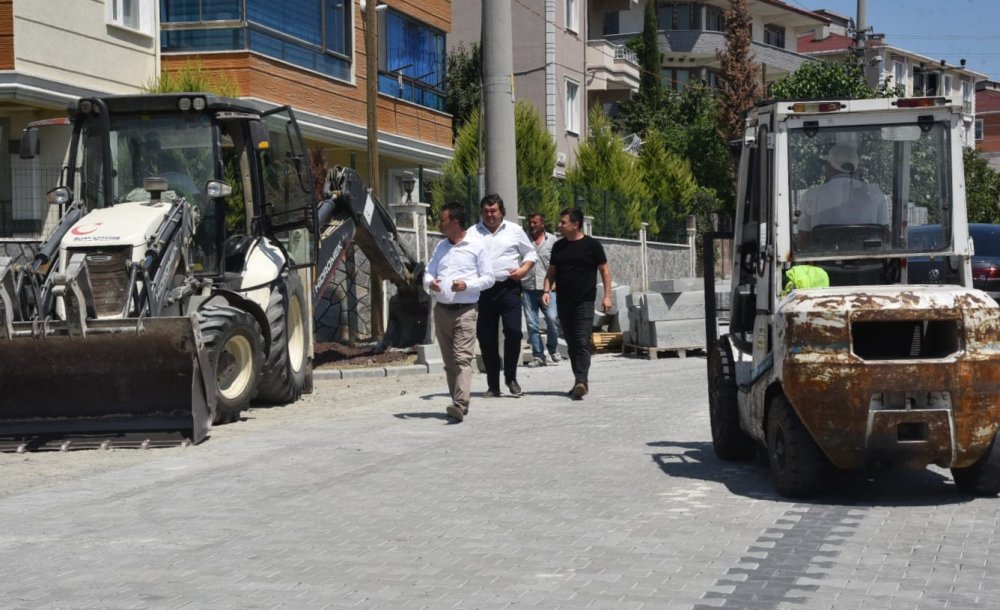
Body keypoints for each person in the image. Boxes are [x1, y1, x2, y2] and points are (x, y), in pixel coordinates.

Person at [423, 201, 495, 422]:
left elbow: (489, 278)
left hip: (465, 311)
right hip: (442, 310)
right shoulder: (441, 247)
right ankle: (457, 400)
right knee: (449, 362)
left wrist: (468, 285)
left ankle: (460, 403)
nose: (439, 224)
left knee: (462, 358)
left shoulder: (477, 246)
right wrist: (430, 283)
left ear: (455, 222)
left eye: (442, 220)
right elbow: (428, 271)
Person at [471, 193, 538, 398]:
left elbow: (531, 253)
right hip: (484, 291)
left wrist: (524, 269)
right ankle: (493, 385)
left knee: (514, 332)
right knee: (486, 337)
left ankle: (511, 377)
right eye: (486, 211)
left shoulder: (515, 230)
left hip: (509, 288)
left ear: (501, 212)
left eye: (493, 211)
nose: (490, 215)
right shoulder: (472, 233)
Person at [542, 208, 612, 400]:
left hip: (585, 301)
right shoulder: (559, 247)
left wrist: (607, 296)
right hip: (564, 302)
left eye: (563, 222)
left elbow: (605, 271)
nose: (559, 225)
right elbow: (551, 272)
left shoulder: (592, 245)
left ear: (575, 224)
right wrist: (546, 291)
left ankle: (582, 381)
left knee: (581, 341)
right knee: (572, 345)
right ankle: (578, 380)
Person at [797, 143, 889, 241]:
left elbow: (803, 239)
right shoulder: (875, 194)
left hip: (824, 255)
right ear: (856, 167)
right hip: (867, 255)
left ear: (828, 167)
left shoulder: (810, 196)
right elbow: (886, 236)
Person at [521, 213, 562, 367]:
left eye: (535, 222)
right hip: (528, 288)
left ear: (542, 224)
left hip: (548, 289)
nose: (532, 225)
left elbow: (558, 263)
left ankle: (552, 348)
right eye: (530, 222)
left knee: (552, 318)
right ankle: (538, 356)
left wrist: (557, 283)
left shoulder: (552, 240)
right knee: (532, 324)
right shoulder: (523, 240)